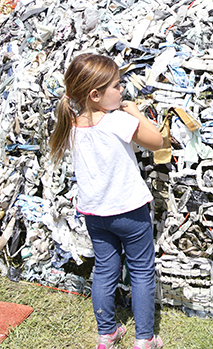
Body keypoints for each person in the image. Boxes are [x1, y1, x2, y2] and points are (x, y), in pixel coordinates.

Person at [48, 54, 164, 349]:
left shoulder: (71, 126)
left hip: (94, 214)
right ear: (95, 94)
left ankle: (107, 333)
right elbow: (157, 141)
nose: (122, 89)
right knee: (140, 271)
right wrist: (137, 113)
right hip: (130, 211)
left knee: (104, 269)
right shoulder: (118, 121)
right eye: (117, 85)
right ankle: (144, 338)